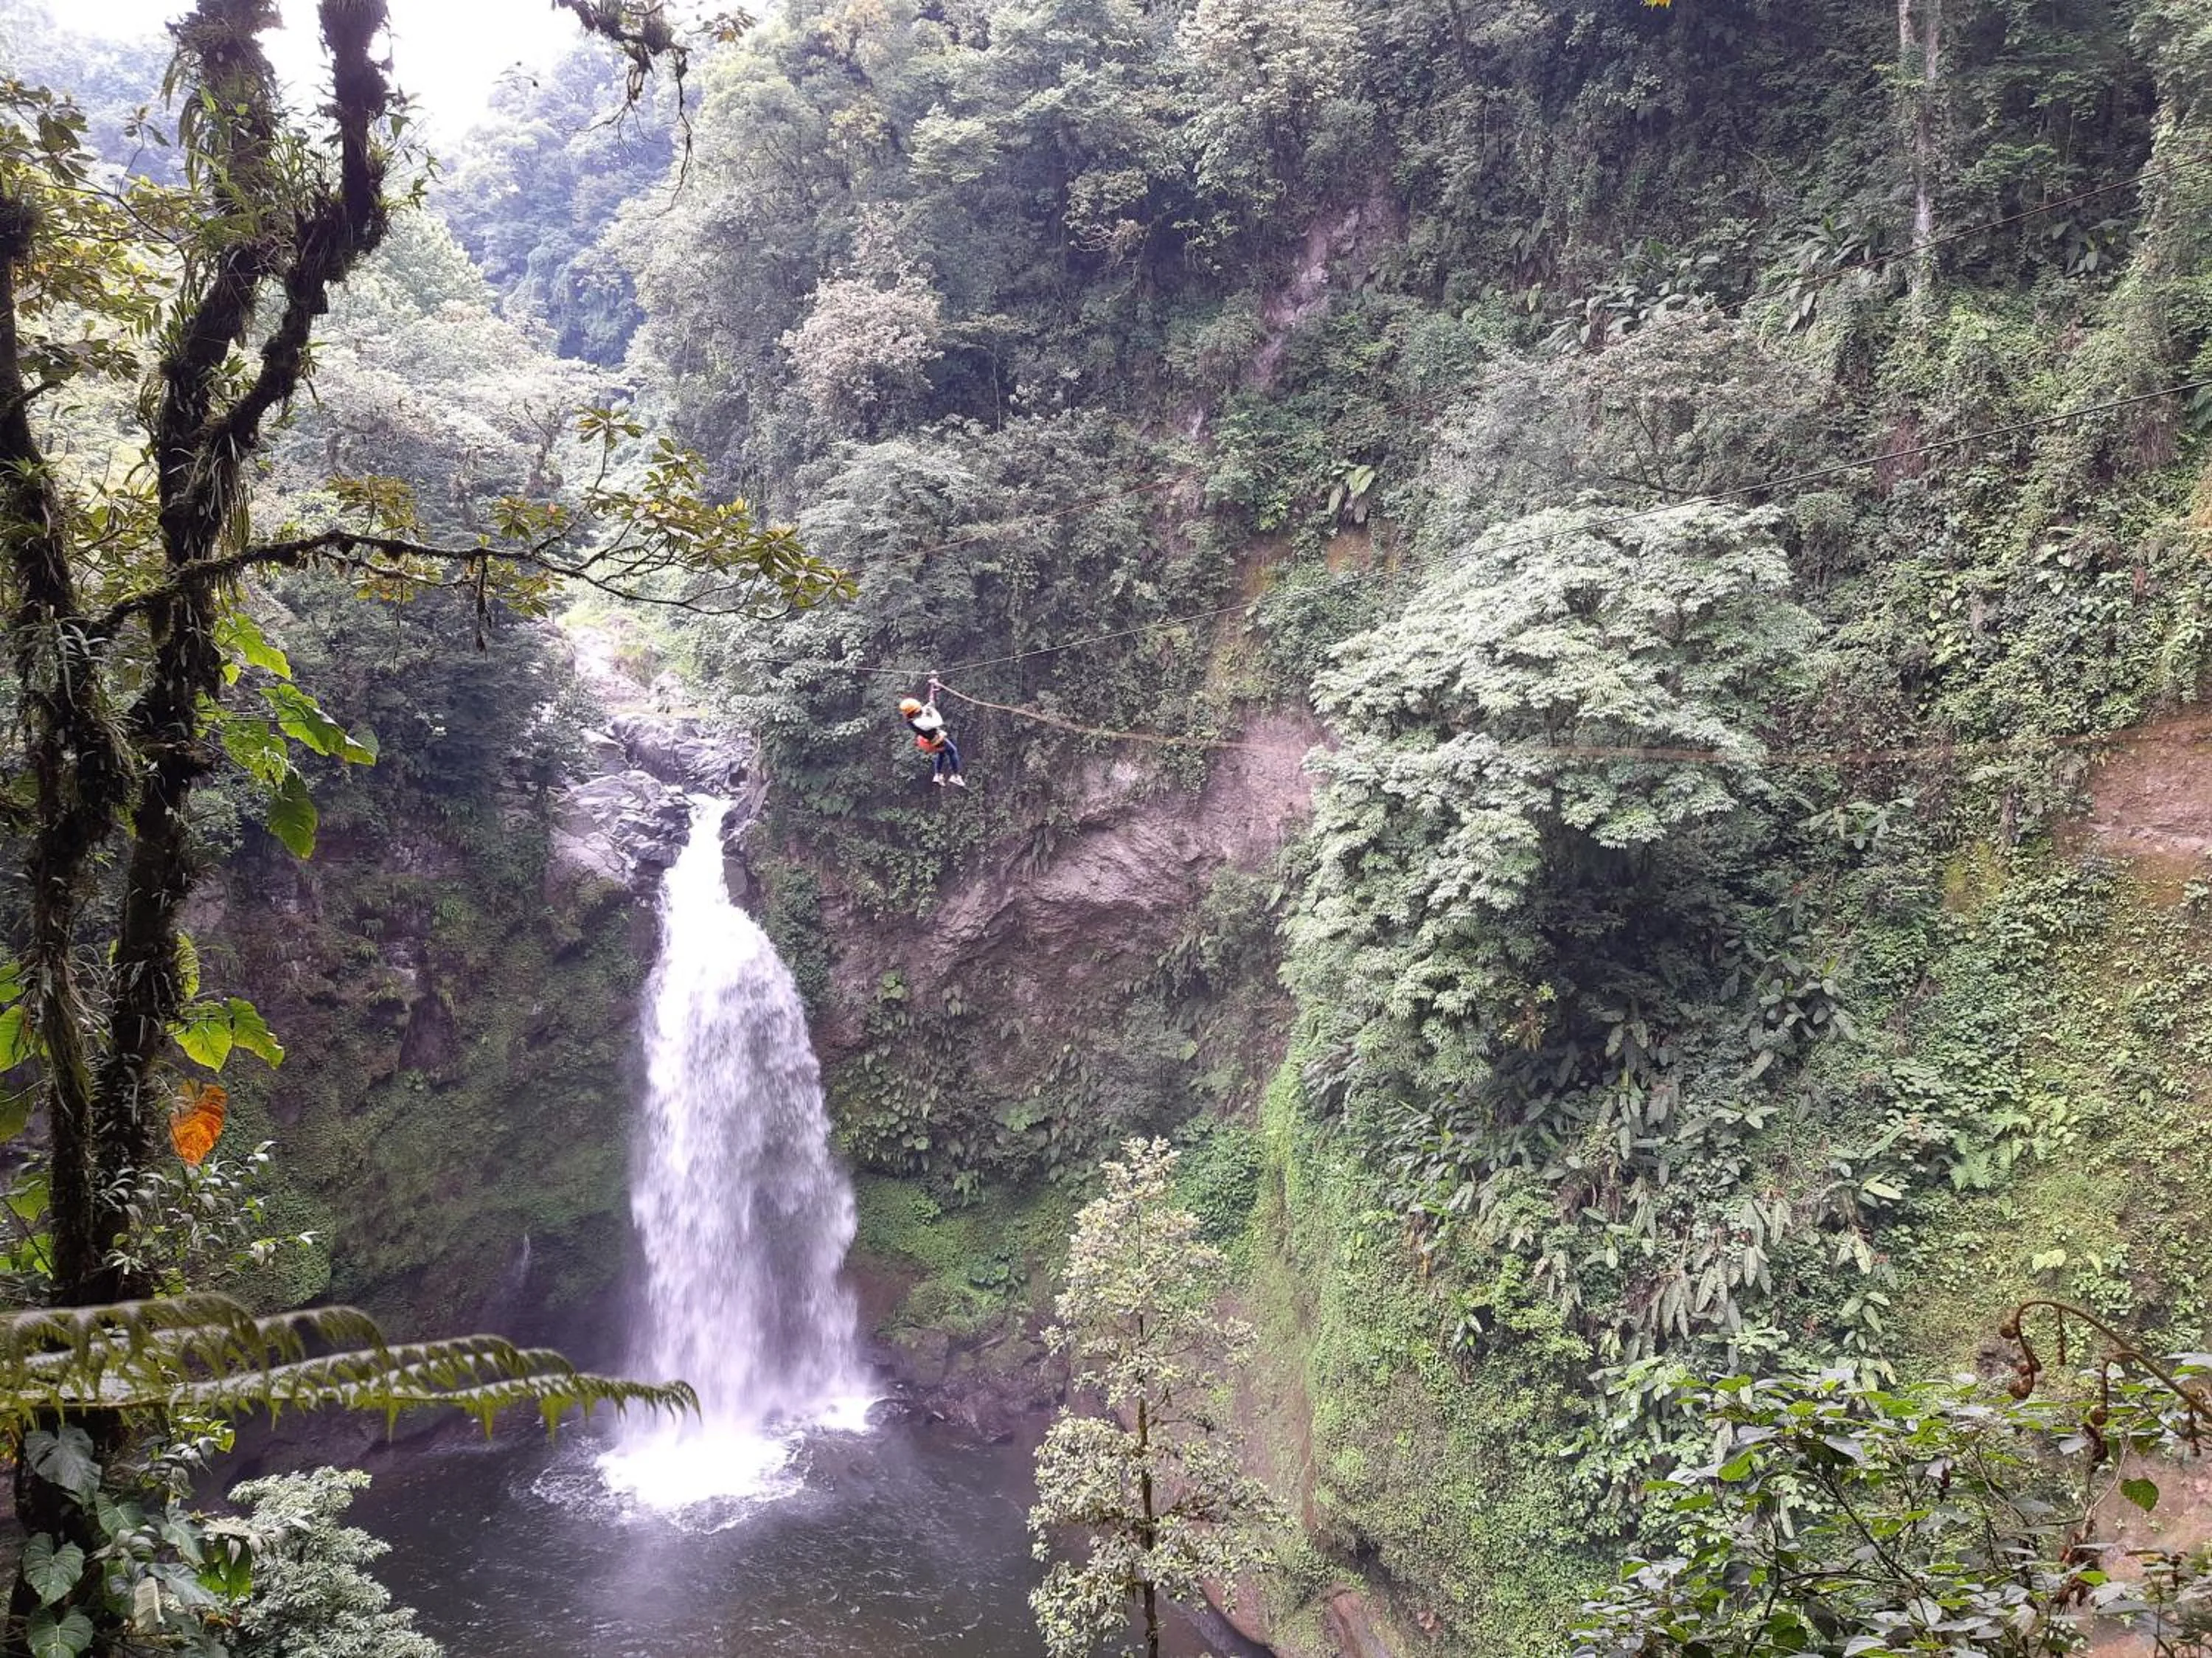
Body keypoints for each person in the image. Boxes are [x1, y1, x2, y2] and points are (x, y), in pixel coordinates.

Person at [899, 680, 966, 788]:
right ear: (913, 712)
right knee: (952, 751)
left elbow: (924, 709)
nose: (920, 710)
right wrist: (933, 710)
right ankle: (956, 776)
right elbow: (938, 722)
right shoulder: (919, 722)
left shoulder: (912, 718)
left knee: (942, 753)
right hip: (934, 739)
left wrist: (932, 690)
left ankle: (938, 774)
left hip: (929, 738)